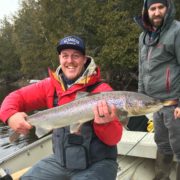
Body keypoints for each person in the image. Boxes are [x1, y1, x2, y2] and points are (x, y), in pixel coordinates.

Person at [0, 35, 123, 180]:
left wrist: (105, 124)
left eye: (75, 56)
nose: (70, 61)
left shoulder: (103, 91)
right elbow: (16, 97)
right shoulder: (50, 86)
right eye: (65, 56)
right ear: (60, 59)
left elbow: (114, 139)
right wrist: (10, 116)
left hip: (98, 164)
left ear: (84, 59)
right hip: (60, 162)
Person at [134, 0, 180, 179]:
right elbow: (142, 69)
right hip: (154, 104)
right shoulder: (143, 37)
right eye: (152, 8)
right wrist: (139, 98)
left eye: (161, 7)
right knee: (162, 144)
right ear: (147, 11)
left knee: (179, 147)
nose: (157, 12)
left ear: (168, 9)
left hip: (174, 103)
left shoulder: (177, 31)